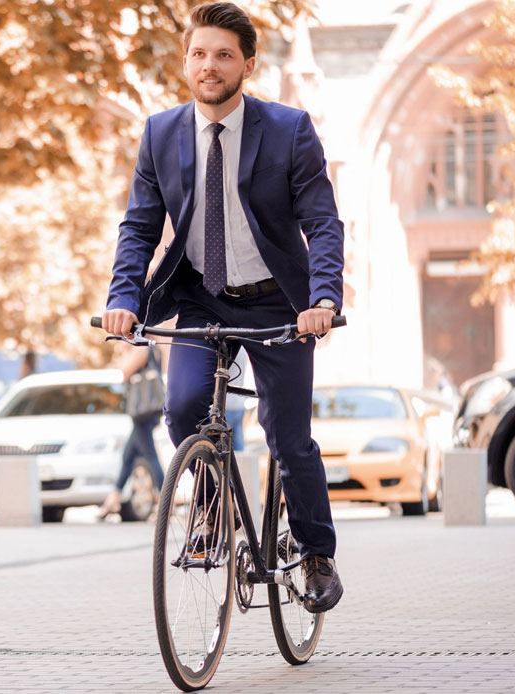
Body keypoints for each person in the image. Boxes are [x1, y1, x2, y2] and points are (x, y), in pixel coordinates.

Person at [100, 2, 344, 613]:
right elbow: (139, 228)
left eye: (224, 55)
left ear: (248, 65)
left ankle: (315, 553)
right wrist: (123, 298)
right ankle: (212, 515)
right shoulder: (160, 133)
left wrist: (322, 297)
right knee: (183, 409)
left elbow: (321, 220)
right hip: (198, 296)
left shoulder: (289, 129)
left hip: (275, 304)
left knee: (288, 437)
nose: (210, 66)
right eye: (200, 54)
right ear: (186, 61)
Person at [98, 343, 166, 518]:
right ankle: (113, 497)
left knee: (150, 457)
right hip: (145, 412)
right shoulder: (152, 348)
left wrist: (125, 350)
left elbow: (124, 372)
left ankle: (166, 501)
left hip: (143, 412)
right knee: (128, 457)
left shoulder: (141, 348)